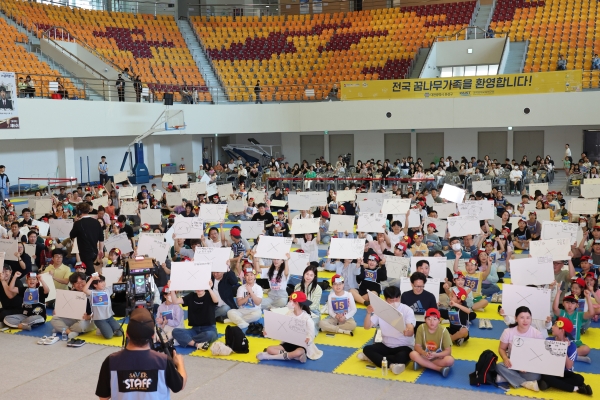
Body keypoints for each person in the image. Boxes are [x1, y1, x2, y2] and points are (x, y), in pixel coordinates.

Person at [95, 308, 187, 399]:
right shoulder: (163, 361)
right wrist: (180, 363)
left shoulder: (111, 361)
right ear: (153, 336)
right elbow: (180, 386)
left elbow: (103, 397)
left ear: (127, 334)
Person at [359, 286, 416, 375]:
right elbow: (367, 327)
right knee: (367, 349)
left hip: (403, 345)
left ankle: (375, 359)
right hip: (386, 344)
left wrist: (408, 331)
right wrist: (368, 313)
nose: (395, 303)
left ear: (400, 297)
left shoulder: (407, 310)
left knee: (401, 357)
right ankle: (391, 365)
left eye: (397, 299)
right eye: (391, 300)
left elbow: (411, 329)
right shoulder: (381, 309)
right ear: (385, 299)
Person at [257, 291, 323, 363]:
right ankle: (294, 357)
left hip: (301, 345)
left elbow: (311, 334)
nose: (289, 303)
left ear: (296, 303)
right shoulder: (289, 313)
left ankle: (269, 357)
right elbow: (281, 328)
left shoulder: (307, 318)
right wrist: (268, 332)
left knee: (298, 352)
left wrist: (308, 339)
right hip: (289, 343)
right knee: (269, 349)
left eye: (291, 301)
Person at [536, 317, 593, 395]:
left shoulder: (572, 346)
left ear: (562, 330)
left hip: (564, 372)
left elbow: (569, 366)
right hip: (550, 372)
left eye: (555, 325)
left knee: (580, 378)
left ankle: (551, 384)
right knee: (545, 376)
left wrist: (564, 349)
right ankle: (576, 388)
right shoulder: (548, 340)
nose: (552, 327)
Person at [496, 306, 544, 391]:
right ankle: (524, 383)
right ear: (516, 318)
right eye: (522, 317)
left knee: (536, 376)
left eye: (528, 318)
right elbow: (502, 349)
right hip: (512, 363)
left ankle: (506, 378)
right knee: (498, 366)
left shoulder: (537, 334)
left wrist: (528, 366)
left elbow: (540, 355)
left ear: (531, 319)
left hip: (529, 365)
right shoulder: (508, 332)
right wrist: (505, 358)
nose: (525, 321)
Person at [170, 281, 219, 350]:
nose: (199, 289)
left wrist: (209, 288)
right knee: (175, 331)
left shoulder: (209, 295)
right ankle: (196, 344)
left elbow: (216, 301)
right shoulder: (191, 296)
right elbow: (175, 301)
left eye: (201, 287)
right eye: (197, 287)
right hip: (195, 330)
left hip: (209, 329)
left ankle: (185, 340)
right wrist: (172, 289)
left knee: (210, 335)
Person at [50, 272, 96, 340]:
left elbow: (100, 313)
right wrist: (58, 311)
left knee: (81, 325)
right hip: (74, 318)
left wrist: (89, 317)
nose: (80, 285)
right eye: (77, 283)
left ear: (86, 281)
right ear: (73, 285)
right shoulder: (71, 293)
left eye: (82, 282)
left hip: (89, 319)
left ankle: (62, 329)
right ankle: (69, 332)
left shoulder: (93, 292)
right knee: (54, 319)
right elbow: (65, 308)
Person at [410, 308, 454, 376]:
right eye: (429, 319)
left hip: (439, 357)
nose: (432, 322)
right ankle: (439, 369)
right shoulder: (421, 328)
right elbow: (417, 346)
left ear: (439, 321)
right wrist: (424, 353)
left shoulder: (444, 331)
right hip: (425, 355)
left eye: (435, 319)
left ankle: (422, 364)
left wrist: (436, 355)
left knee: (450, 360)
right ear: (425, 320)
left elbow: (448, 351)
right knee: (412, 354)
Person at [83, 274, 123, 339]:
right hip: (99, 319)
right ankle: (100, 329)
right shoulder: (92, 293)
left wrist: (123, 273)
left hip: (110, 318)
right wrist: (92, 279)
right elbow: (84, 290)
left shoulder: (107, 290)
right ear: (95, 285)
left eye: (103, 281)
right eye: (100, 282)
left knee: (120, 333)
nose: (103, 283)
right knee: (109, 336)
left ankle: (106, 327)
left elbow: (119, 283)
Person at [70, 202, 104, 276]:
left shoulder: (78, 223)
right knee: (91, 269)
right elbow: (101, 238)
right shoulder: (96, 222)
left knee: (90, 272)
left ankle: (93, 281)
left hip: (84, 252)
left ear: (79, 211)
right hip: (95, 251)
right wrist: (101, 250)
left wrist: (75, 222)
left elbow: (72, 235)